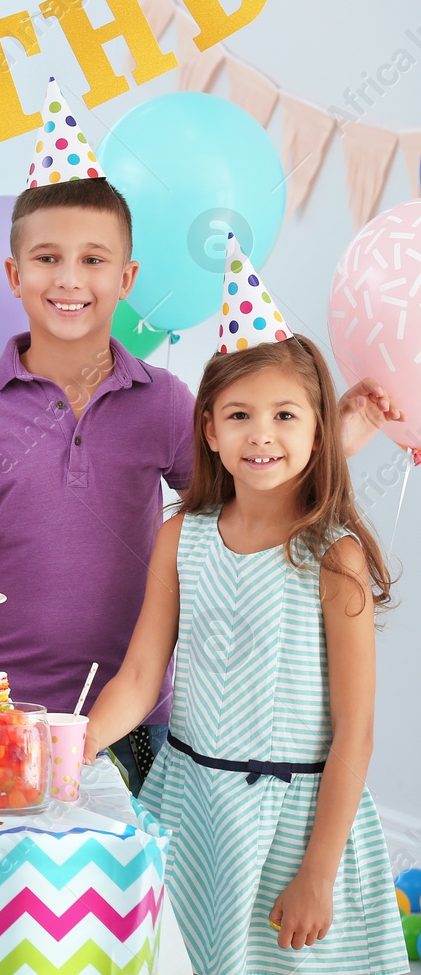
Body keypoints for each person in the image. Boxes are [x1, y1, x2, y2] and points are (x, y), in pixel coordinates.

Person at [0, 80, 402, 793]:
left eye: (93, 260)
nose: (70, 279)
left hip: (134, 713)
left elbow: (254, 488)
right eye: (48, 258)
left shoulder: (166, 402)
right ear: (14, 274)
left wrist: (343, 436)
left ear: (127, 277)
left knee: (119, 898)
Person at [85, 259, 407, 971]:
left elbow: (356, 730)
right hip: (190, 807)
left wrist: (318, 873)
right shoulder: (182, 536)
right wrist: (75, 743)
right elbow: (140, 676)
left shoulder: (334, 556)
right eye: (240, 415)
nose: (261, 435)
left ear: (320, 431)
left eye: (285, 415)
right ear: (209, 430)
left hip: (296, 824)